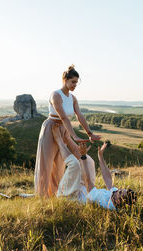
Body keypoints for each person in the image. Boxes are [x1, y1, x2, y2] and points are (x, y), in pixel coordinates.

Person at [34, 65, 101, 197]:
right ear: (65, 80)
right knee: (46, 164)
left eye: (76, 82)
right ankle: (41, 196)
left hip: (63, 129)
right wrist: (74, 136)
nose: (75, 85)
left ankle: (54, 195)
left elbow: (79, 116)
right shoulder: (56, 95)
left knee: (59, 165)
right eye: (73, 82)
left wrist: (89, 133)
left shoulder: (73, 98)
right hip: (51, 128)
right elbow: (63, 117)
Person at [52, 124, 137, 211]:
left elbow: (89, 182)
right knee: (90, 161)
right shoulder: (115, 196)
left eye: (121, 193)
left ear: (119, 201)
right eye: (122, 190)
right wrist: (100, 156)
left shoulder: (105, 203)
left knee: (75, 164)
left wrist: (83, 156)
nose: (119, 190)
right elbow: (108, 179)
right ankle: (67, 138)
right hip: (82, 190)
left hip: (70, 197)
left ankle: (58, 140)